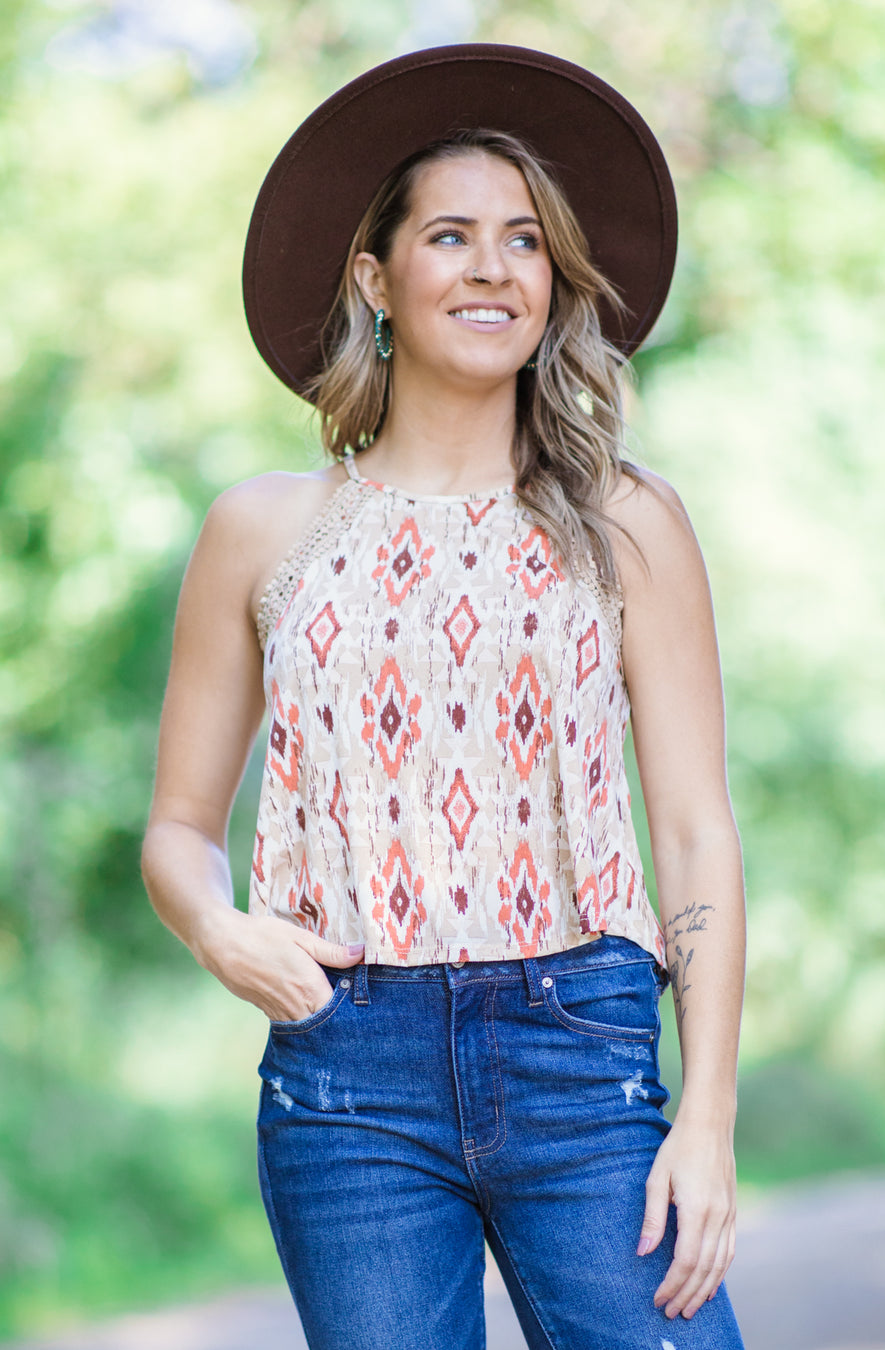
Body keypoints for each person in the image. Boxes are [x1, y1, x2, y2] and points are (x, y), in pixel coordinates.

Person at [142, 44, 746, 1350]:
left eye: (526, 241)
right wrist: (222, 931)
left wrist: (705, 1120)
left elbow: (696, 828)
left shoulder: (628, 522)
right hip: (344, 1063)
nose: (492, 266)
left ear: (555, 283)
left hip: (583, 1045)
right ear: (376, 278)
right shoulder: (262, 531)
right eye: (453, 235)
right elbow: (177, 825)